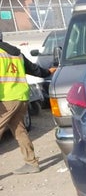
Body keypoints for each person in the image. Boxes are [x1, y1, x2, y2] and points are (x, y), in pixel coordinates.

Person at [0, 32, 53, 174]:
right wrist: (48, 72)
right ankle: (31, 163)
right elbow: (33, 69)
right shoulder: (16, 53)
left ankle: (31, 163)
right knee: (19, 130)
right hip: (22, 97)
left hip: (6, 100)